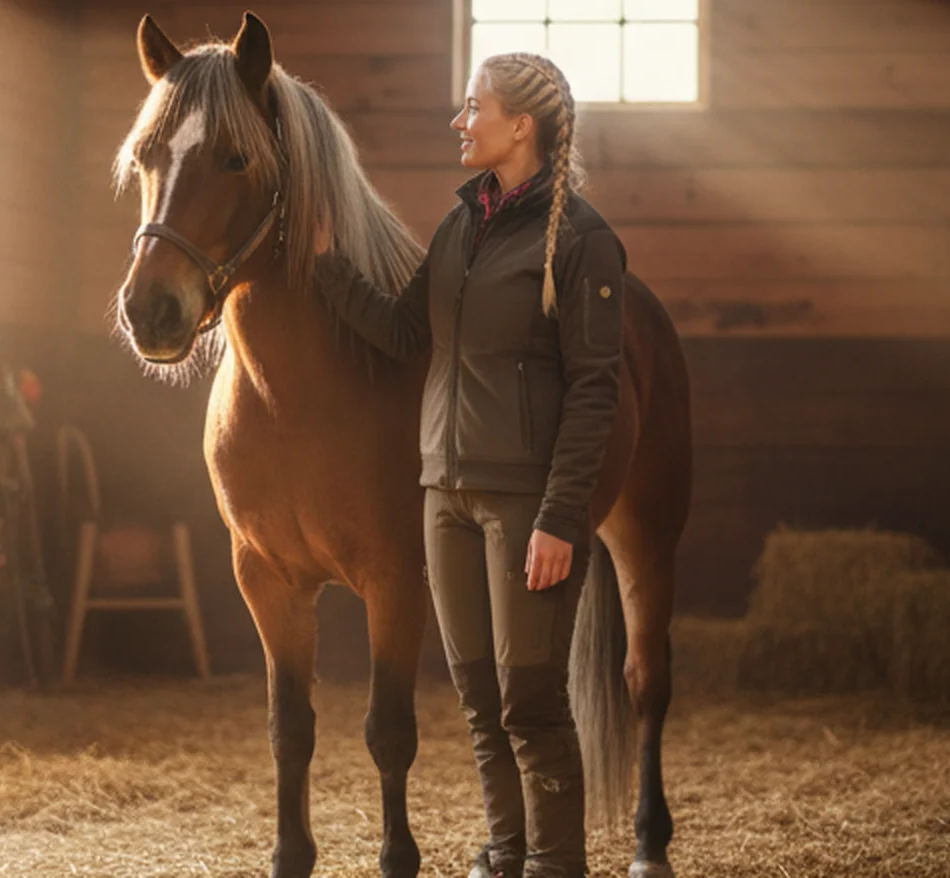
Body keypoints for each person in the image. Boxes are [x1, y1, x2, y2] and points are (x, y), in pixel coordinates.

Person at [312, 52, 625, 878]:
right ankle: (507, 853)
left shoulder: (586, 242)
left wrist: (561, 518)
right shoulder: (458, 228)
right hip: (441, 495)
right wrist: (325, 266)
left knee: (530, 702)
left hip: (526, 504)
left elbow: (595, 393)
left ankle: (557, 865)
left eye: (472, 106)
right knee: (480, 703)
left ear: (519, 126)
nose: (460, 120)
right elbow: (404, 331)